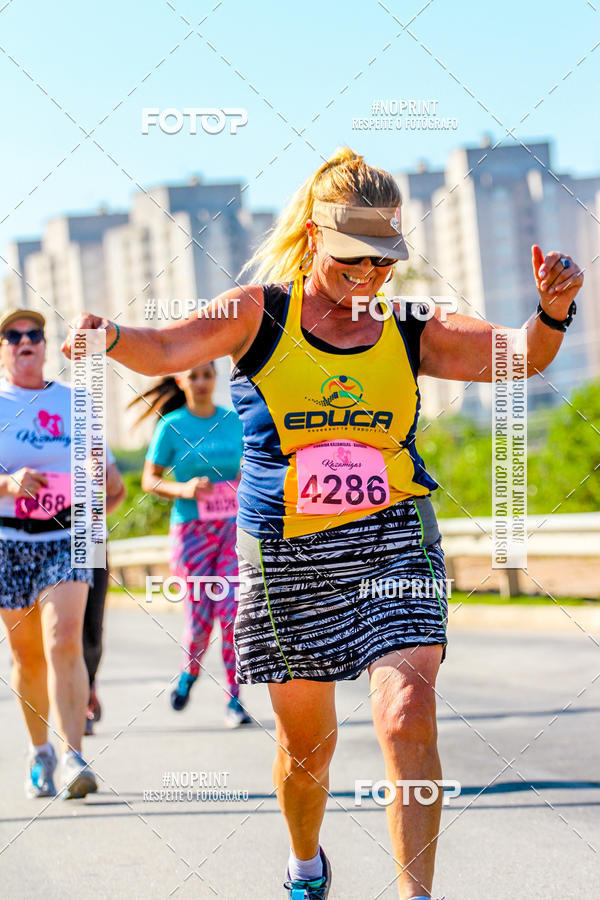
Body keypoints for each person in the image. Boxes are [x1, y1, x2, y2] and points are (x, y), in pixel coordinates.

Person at [62, 147, 584, 900]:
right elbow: (166, 348)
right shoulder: (257, 313)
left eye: (383, 261)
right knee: (307, 749)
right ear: (314, 238)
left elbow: (520, 357)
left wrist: (553, 309)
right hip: (286, 553)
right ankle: (306, 861)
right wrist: (108, 335)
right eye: (352, 259)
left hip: (393, 535)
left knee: (407, 716)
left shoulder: (410, 326)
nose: (369, 276)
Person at [0, 308, 98, 799]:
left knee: (63, 640)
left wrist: (95, 488)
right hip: (9, 540)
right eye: (12, 335)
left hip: (69, 534)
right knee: (28, 656)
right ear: (2, 349)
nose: (25, 340)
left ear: (43, 345)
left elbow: (103, 476)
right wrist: (8, 483)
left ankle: (74, 756)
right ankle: (40, 752)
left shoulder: (76, 401)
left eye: (34, 334)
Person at [131, 363, 251, 727]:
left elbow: (252, 466)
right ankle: (189, 672)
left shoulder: (234, 420)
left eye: (207, 375)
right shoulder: (172, 426)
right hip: (191, 533)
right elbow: (150, 480)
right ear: (181, 381)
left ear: (215, 378)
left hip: (231, 530)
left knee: (231, 614)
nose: (201, 382)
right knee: (200, 621)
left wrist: (244, 480)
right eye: (193, 376)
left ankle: (234, 699)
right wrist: (184, 489)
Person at [82, 455, 126, 735]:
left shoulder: (91, 437)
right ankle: (75, 701)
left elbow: (118, 490)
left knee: (92, 629)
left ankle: (87, 686)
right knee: (62, 630)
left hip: (92, 542)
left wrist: (95, 515)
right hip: (48, 541)